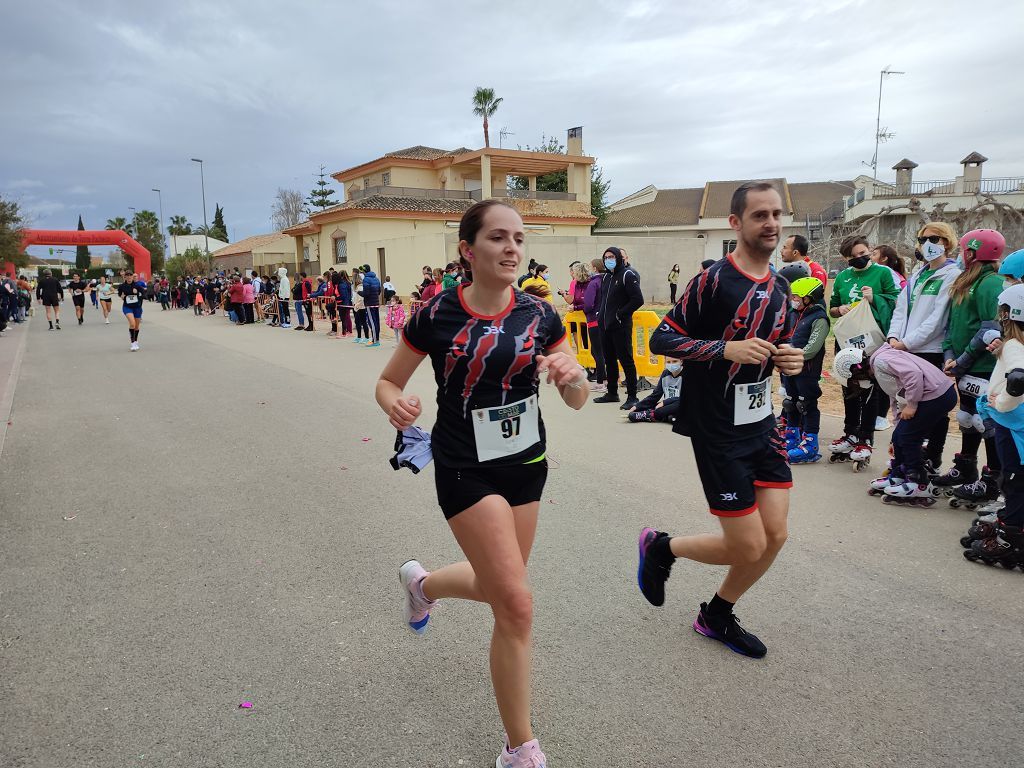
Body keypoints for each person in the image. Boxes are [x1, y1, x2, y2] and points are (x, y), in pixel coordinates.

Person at [376, 199, 586, 767]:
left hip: (526, 462)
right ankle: (520, 746)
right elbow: (388, 382)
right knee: (515, 602)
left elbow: (575, 395)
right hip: (464, 464)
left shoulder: (541, 316)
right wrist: (398, 407)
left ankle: (424, 587)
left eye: (518, 237)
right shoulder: (436, 315)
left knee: (502, 585)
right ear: (467, 251)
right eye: (497, 238)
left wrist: (574, 377)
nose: (512, 248)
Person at [637, 181, 804, 659]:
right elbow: (663, 340)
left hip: (761, 422)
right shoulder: (712, 280)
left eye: (776, 214)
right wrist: (722, 349)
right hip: (716, 427)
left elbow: (777, 344)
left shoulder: (782, 286)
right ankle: (661, 547)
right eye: (759, 215)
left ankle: (716, 613)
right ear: (736, 224)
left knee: (775, 536)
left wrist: (788, 360)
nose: (771, 223)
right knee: (748, 545)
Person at [934, 228, 1007, 507]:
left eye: (965, 249)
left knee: (983, 421)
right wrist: (949, 354)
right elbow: (954, 326)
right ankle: (966, 466)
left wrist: (962, 361)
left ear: (973, 252)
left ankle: (992, 481)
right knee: (966, 418)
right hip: (963, 365)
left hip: (983, 366)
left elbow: (991, 329)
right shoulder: (964, 282)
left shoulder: (991, 283)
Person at [886, 221, 961, 470]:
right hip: (905, 349)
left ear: (947, 243)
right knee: (905, 404)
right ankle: (910, 454)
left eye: (934, 239)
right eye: (922, 239)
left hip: (930, 350)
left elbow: (938, 319)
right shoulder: (918, 274)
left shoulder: (952, 275)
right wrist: (894, 338)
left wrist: (907, 342)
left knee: (933, 411)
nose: (927, 244)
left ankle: (932, 457)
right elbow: (901, 309)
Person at [850, 344, 957, 505]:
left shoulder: (881, 361)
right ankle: (900, 473)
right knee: (900, 434)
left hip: (937, 395)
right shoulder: (880, 366)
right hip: (934, 395)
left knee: (908, 437)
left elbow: (914, 374)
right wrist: (898, 425)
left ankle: (918, 481)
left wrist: (912, 405)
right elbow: (896, 395)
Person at [827, 234, 900, 465]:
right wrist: (840, 309)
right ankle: (850, 432)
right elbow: (832, 307)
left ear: (869, 250)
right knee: (848, 385)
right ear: (845, 259)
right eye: (852, 256)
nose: (859, 258)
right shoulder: (843, 278)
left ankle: (865, 438)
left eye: (862, 253)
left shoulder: (883, 273)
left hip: (872, 339)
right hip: (847, 339)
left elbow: (896, 302)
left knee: (869, 387)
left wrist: (875, 297)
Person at [966, 283, 1024, 565]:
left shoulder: (1015, 345)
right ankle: (1010, 524)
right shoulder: (1014, 345)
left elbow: (1018, 380)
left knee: (1014, 480)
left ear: (1009, 314)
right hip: (1015, 425)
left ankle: (1011, 535)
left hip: (1013, 425)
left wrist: (1000, 402)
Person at [781, 276, 828, 464]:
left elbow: (813, 347)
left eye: (798, 297)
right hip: (789, 368)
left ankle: (810, 445)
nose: (794, 299)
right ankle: (792, 438)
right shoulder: (792, 314)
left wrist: (792, 356)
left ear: (809, 298)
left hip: (807, 370)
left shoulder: (819, 318)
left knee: (806, 404)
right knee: (790, 402)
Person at [593, 247, 643, 409]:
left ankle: (632, 396)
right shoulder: (606, 277)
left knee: (626, 360)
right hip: (605, 326)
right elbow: (605, 300)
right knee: (609, 360)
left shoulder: (628, 275)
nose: (608, 259)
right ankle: (612, 393)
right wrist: (601, 315)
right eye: (606, 257)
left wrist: (620, 314)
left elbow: (637, 299)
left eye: (612, 256)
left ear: (619, 258)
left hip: (620, 326)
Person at [625, 356, 683, 423]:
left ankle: (650, 415)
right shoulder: (665, 374)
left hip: (681, 405)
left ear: (681, 361)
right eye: (668, 362)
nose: (671, 364)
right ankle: (668, 417)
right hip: (668, 406)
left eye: (675, 361)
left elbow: (687, 398)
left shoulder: (688, 375)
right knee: (657, 408)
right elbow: (655, 395)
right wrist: (638, 406)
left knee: (677, 405)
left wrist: (665, 402)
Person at [583, 258, 606, 392]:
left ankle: (601, 381)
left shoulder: (593, 283)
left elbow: (588, 304)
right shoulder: (607, 280)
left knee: (597, 352)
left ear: (595, 268)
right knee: (604, 351)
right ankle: (606, 379)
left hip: (593, 320)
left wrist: (585, 309)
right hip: (605, 320)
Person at [118, 271, 145, 351]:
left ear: (133, 277)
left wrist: (137, 294)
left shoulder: (137, 286)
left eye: (130, 276)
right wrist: (122, 296)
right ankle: (132, 343)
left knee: (136, 326)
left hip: (137, 307)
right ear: (125, 277)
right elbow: (120, 294)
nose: (129, 277)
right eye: (127, 276)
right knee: (132, 324)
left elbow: (144, 295)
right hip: (127, 307)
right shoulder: (122, 286)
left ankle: (136, 341)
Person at [360, 263, 382, 346]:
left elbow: (366, 293)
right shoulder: (376, 278)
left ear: (364, 271)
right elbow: (379, 291)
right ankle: (377, 339)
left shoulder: (366, 279)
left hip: (369, 303)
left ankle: (375, 341)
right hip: (376, 303)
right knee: (376, 321)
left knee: (372, 322)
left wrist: (359, 292)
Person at [352, 270, 368, 343]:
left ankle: (367, 337)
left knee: (363, 322)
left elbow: (361, 299)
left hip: (361, 307)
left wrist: (356, 306)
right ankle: (359, 337)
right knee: (357, 321)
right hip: (358, 307)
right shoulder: (357, 288)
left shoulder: (360, 287)